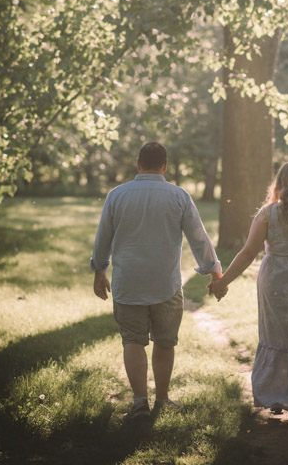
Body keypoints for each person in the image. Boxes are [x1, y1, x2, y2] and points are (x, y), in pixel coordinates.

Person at [91, 141, 224, 420]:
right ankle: (162, 399)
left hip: (128, 282)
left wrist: (99, 271)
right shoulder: (179, 196)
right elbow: (198, 237)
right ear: (164, 166)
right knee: (165, 341)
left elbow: (103, 237)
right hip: (166, 284)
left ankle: (140, 402)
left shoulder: (117, 195)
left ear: (138, 164)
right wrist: (214, 271)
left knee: (133, 340)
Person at [210, 161, 288, 423]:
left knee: (276, 335)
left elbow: (248, 252)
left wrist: (224, 282)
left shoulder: (267, 214)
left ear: (279, 184)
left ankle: (276, 398)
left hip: (276, 280)